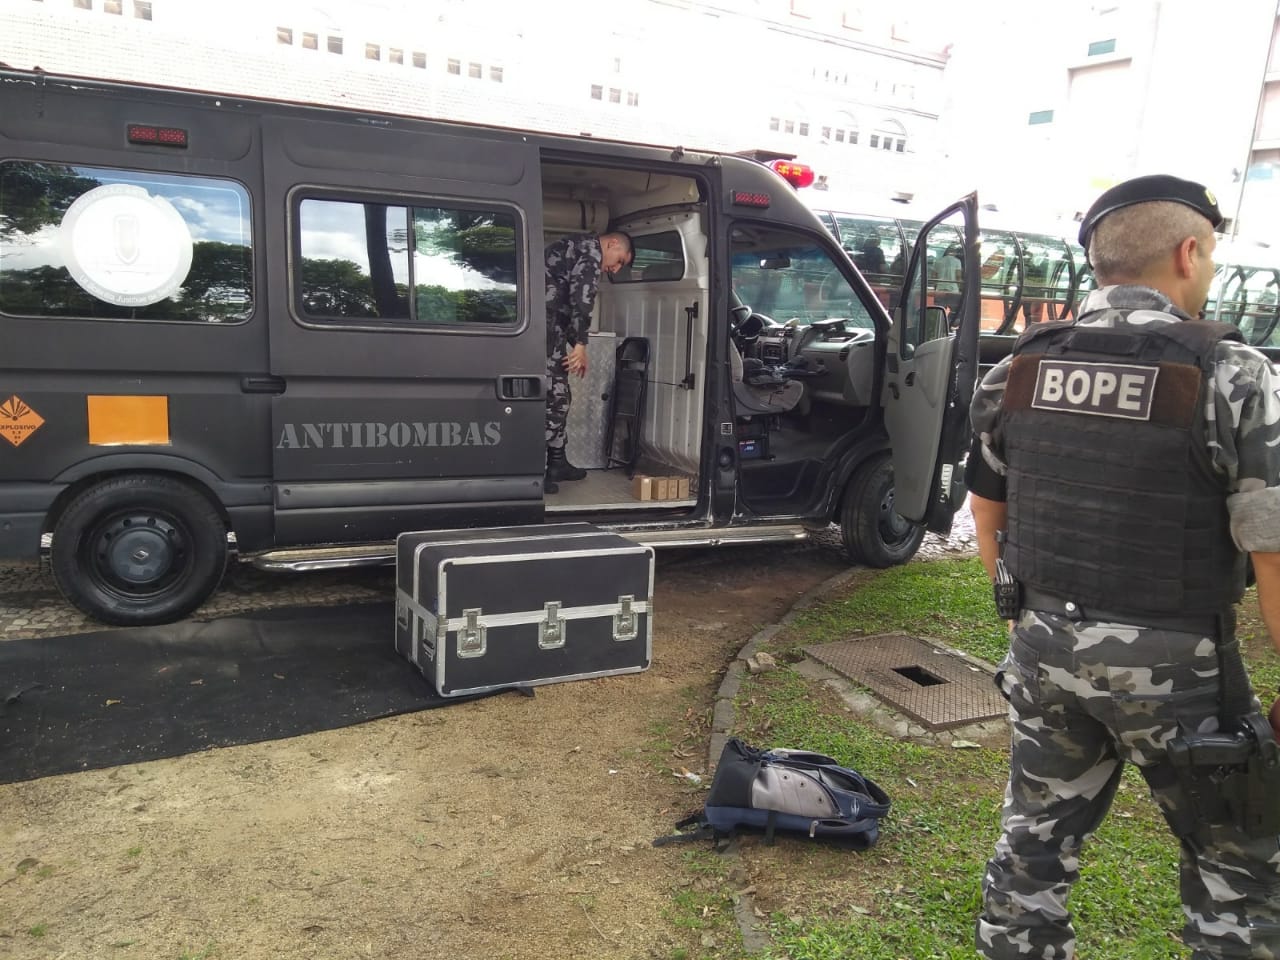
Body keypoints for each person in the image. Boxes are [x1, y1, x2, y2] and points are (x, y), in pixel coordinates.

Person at [966, 174, 1280, 959]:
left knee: (1032, 845)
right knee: (1238, 868)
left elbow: (985, 516)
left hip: (1042, 647)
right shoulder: (1235, 376)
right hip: (1181, 670)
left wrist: (1029, 610)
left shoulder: (1019, 369)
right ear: (1189, 252)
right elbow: (1273, 549)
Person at [543, 231, 633, 494]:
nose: (614, 269)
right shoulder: (591, 252)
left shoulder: (575, 245)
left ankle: (557, 462)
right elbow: (582, 299)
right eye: (619, 261)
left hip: (548, 334)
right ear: (613, 243)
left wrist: (574, 344)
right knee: (552, 401)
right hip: (543, 336)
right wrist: (581, 345)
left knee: (560, 396)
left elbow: (565, 306)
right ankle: (536, 470)